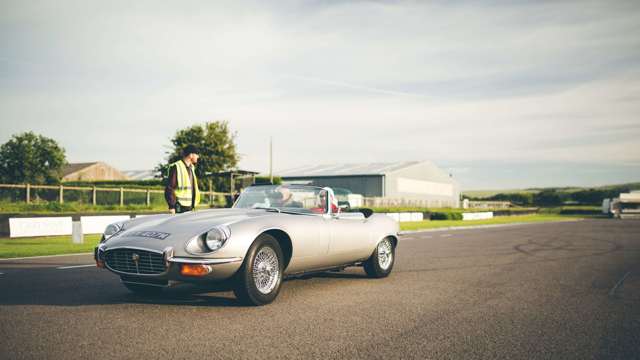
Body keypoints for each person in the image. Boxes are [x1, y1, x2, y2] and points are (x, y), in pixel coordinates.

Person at [164, 145, 201, 214]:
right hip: (180, 207)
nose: (198, 157)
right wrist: (171, 206)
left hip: (190, 206)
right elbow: (170, 188)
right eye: (196, 154)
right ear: (191, 155)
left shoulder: (192, 168)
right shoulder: (176, 167)